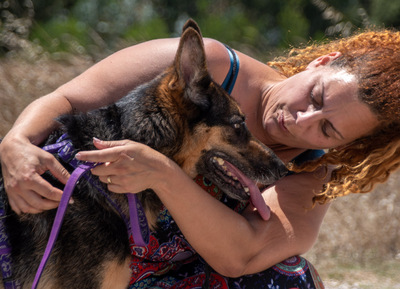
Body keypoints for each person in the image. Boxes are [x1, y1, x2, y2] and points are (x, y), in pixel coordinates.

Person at [1, 22, 399, 288]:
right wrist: (15, 142)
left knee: (289, 277)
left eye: (327, 129)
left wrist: (164, 174)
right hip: (89, 232)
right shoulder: (208, 65)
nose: (300, 121)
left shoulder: (313, 167)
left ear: (344, 143)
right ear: (321, 62)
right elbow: (67, 100)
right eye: (316, 96)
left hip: (171, 274)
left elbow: (241, 257)